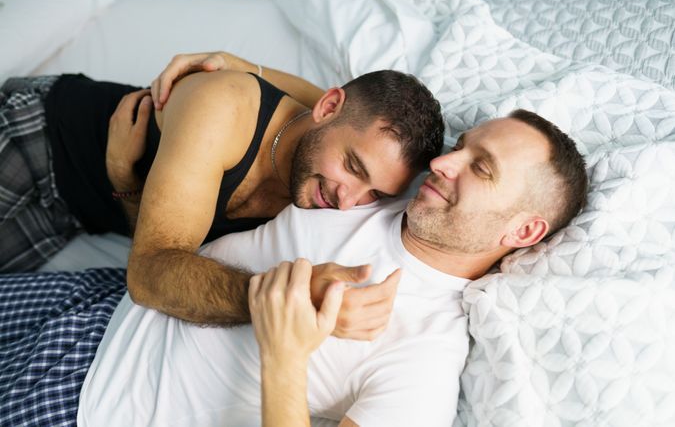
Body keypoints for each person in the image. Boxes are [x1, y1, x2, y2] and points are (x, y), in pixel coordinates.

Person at [74, 109, 589, 426]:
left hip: (89, 402)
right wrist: (236, 64)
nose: (442, 164)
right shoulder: (381, 190)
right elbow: (339, 113)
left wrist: (285, 353)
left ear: (523, 232)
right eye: (461, 147)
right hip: (97, 301)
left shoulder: (429, 352)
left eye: (480, 168)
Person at [0, 55, 443, 340]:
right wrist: (288, 302)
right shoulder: (224, 108)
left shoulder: (330, 167)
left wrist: (123, 180)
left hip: (70, 217)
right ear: (327, 108)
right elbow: (149, 273)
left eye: (374, 194)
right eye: (353, 167)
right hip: (37, 138)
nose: (348, 202)